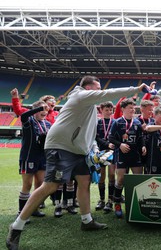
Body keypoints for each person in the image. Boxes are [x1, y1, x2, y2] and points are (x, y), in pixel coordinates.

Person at [7, 76, 148, 250]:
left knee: (84, 182)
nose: (99, 90)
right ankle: (16, 226)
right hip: (62, 147)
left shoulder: (87, 106)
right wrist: (137, 89)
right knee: (51, 185)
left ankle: (86, 220)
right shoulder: (79, 96)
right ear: (88, 88)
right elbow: (108, 93)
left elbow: (89, 132)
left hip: (78, 150)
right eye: (97, 87)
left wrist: (93, 150)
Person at [108, 98, 146, 218]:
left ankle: (137, 205)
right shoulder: (117, 122)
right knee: (120, 180)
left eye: (133, 108)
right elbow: (110, 138)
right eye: (130, 108)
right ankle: (117, 204)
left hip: (135, 155)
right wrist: (120, 145)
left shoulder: (137, 123)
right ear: (123, 109)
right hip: (122, 154)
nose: (132, 110)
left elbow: (141, 138)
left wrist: (143, 146)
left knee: (138, 180)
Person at [17, 101, 51, 221]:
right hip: (28, 157)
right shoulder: (29, 121)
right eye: (41, 109)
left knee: (40, 184)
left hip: (42, 158)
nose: (44, 111)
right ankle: (21, 213)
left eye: (45, 110)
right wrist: (40, 107)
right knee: (27, 185)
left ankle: (34, 209)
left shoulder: (47, 123)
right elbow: (23, 116)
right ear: (35, 110)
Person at [94, 101, 116, 213]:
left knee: (111, 175)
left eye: (110, 110)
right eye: (106, 110)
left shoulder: (115, 122)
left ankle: (110, 201)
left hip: (112, 153)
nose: (108, 112)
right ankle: (101, 200)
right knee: (101, 177)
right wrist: (107, 144)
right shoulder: (97, 122)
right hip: (101, 152)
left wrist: (112, 145)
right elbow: (96, 138)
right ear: (101, 110)